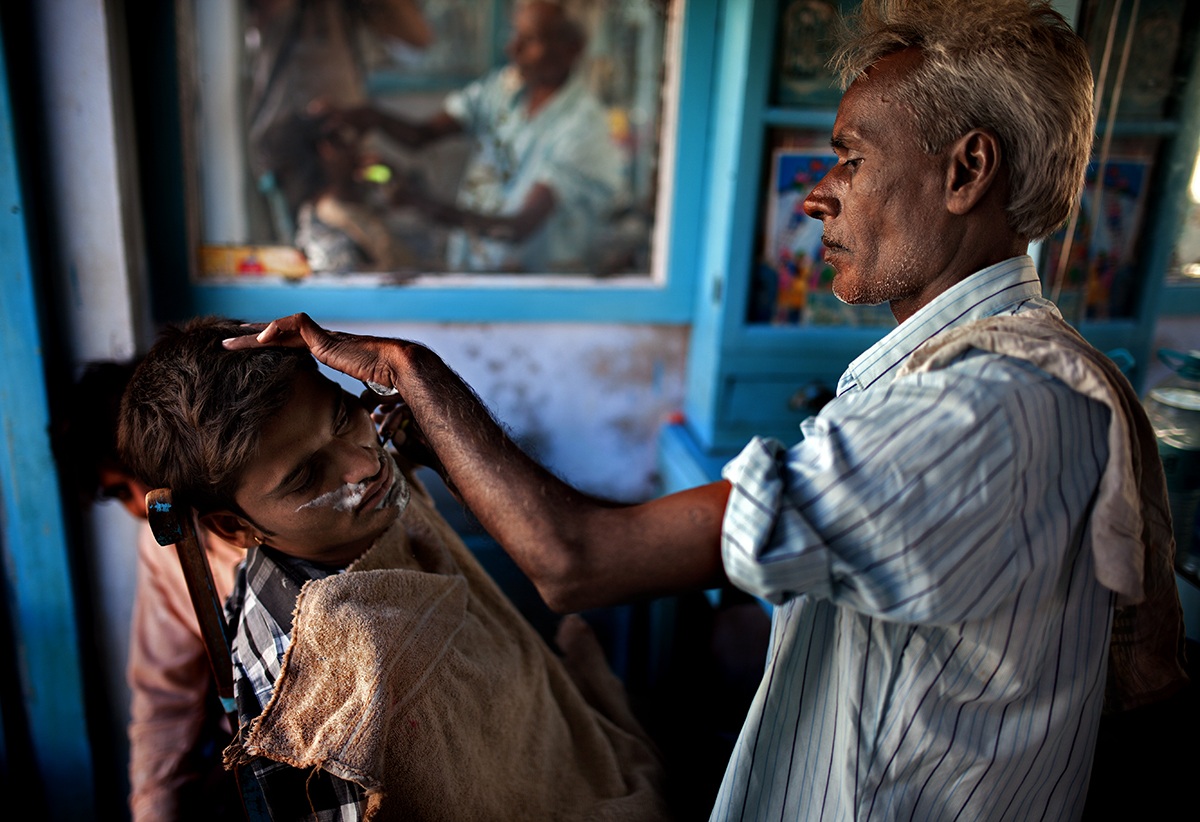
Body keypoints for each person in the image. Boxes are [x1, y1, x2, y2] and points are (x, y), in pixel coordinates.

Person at [224, 1, 1190, 819]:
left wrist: (409, 368)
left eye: (849, 159)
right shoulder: (1002, 375)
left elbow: (578, 561)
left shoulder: (993, 409)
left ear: (966, 171)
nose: (818, 195)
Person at [116, 317, 670, 820]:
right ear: (235, 529)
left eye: (342, 416)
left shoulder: (368, 507)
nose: (365, 463)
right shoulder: (336, 677)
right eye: (307, 477)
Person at [55, 361, 245, 822]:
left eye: (138, 468)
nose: (144, 498)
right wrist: (155, 807)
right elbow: (164, 698)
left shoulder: (258, 499)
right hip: (251, 753)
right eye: (122, 489)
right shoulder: (162, 545)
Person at [326, 0, 625, 273]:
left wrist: (420, 203)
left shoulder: (584, 129)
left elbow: (518, 228)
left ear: (573, 48)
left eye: (531, 40)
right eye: (514, 34)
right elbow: (423, 135)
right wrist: (370, 117)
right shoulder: (502, 89)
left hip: (538, 292)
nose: (513, 48)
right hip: (474, 272)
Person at [245, 0, 433, 243]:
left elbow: (418, 37)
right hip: (290, 156)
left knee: (352, 238)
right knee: (303, 246)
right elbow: (265, 12)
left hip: (343, 149)